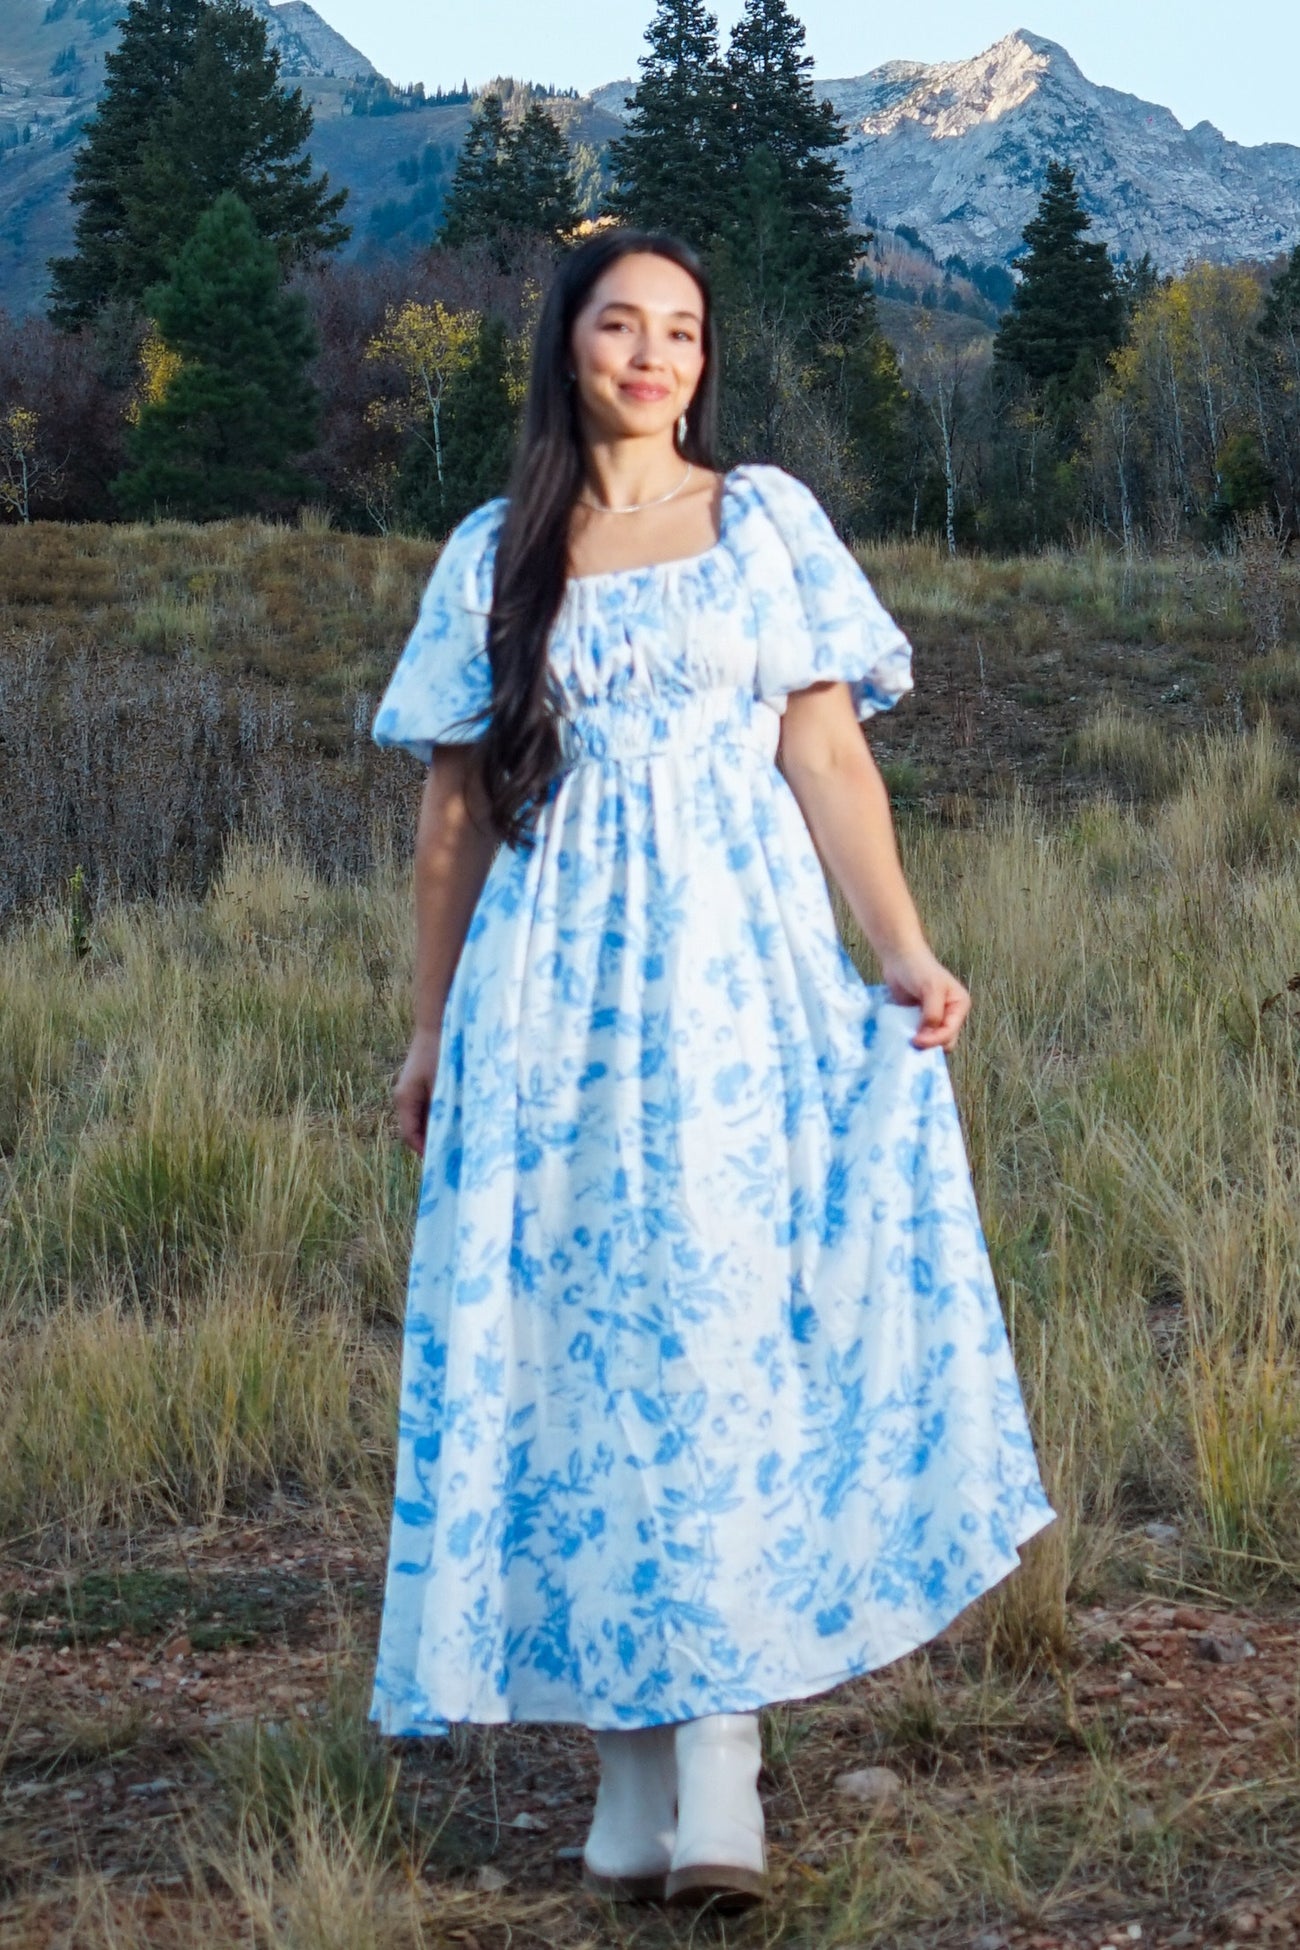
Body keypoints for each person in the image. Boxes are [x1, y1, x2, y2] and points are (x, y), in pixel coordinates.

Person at [367, 227, 1054, 1913]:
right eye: (622, 324)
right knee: (578, 1346)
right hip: (551, 997)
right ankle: (625, 1774)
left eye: (682, 328)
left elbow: (825, 749)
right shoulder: (494, 552)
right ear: (568, 345)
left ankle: (725, 1757)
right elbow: (455, 815)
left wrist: (903, 947)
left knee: (725, 1330)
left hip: (740, 977)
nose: (654, 354)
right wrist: (432, 1028)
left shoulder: (763, 521)